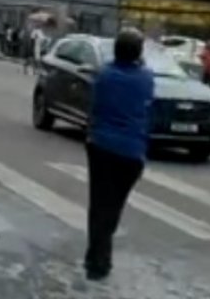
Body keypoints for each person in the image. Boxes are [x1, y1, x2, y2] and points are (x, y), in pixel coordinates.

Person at [83, 29, 155, 282]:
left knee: (99, 205)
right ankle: (100, 258)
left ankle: (97, 261)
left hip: (102, 146)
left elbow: (95, 106)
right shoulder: (146, 78)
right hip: (131, 153)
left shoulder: (105, 75)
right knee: (113, 207)